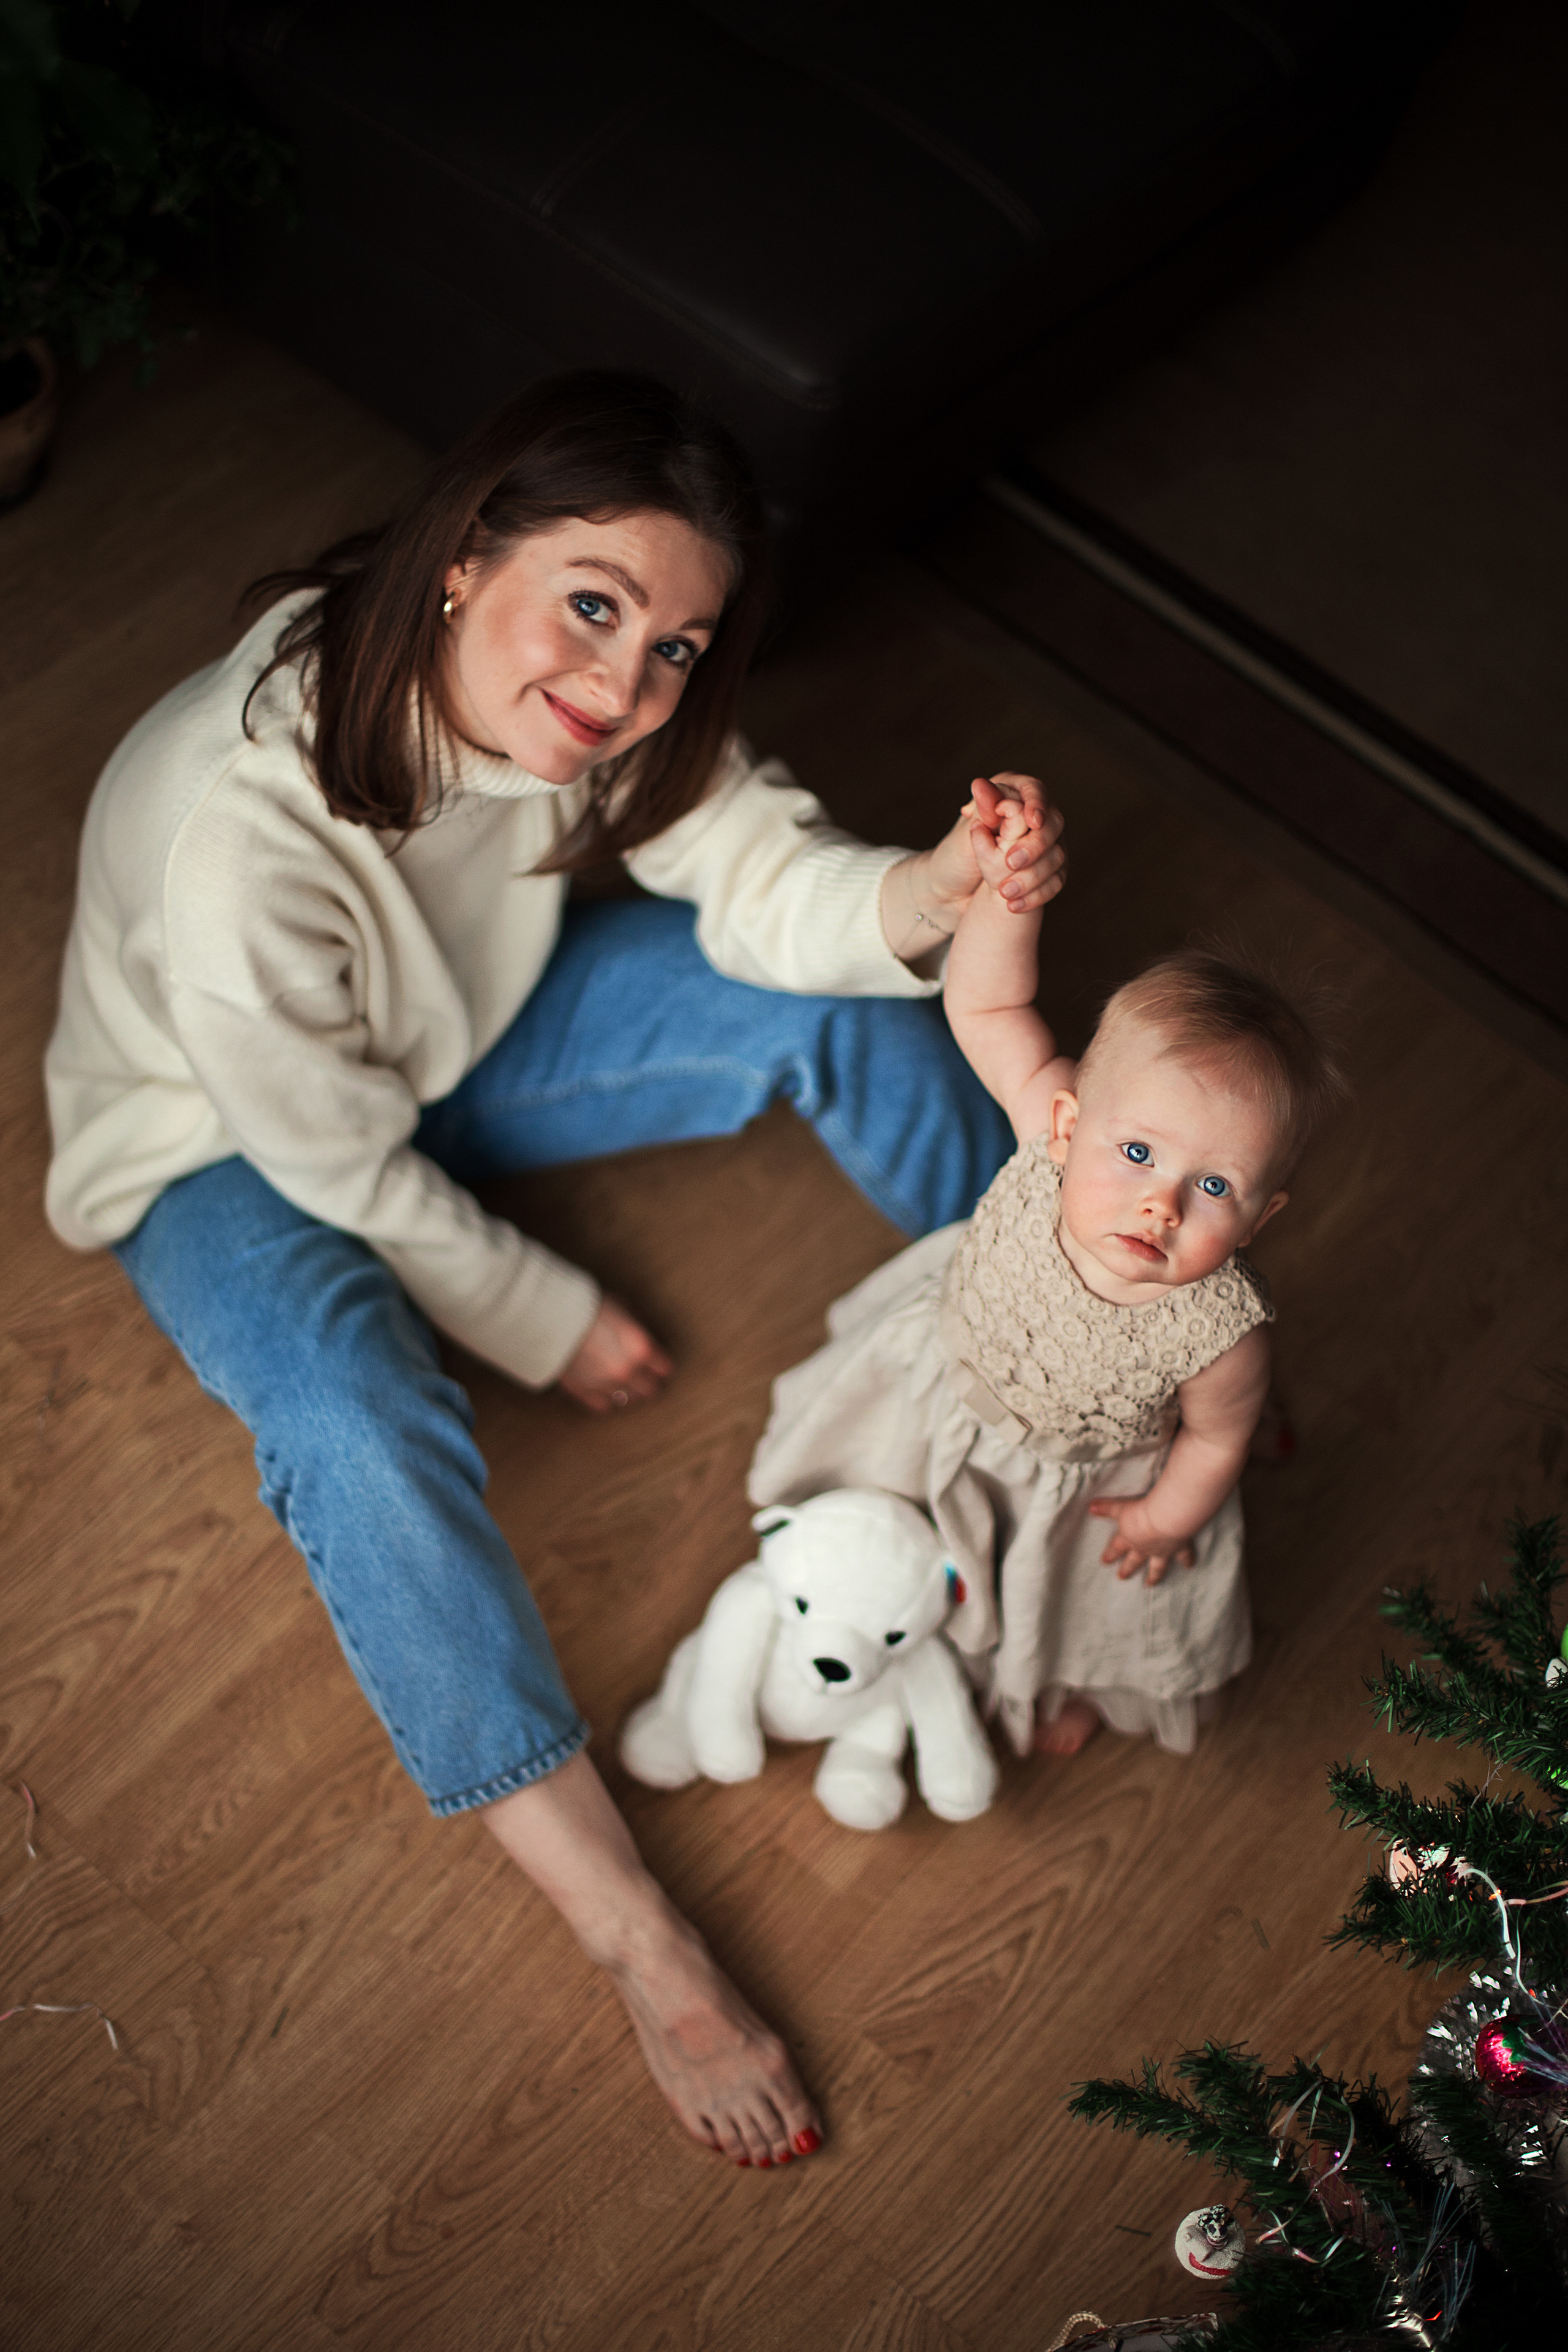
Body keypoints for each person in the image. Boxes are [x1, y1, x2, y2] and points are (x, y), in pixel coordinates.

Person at [42, 372, 1065, 2170]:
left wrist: (930, 895)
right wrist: (534, 1304)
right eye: (593, 601)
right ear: (464, 554)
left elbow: (752, 866)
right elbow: (330, 1159)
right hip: (217, 1147)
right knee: (353, 1419)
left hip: (448, 1048)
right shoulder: (230, 827)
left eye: (677, 646)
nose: (625, 683)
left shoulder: (592, 717)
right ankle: (632, 1932)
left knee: (836, 999)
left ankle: (1077, 1354)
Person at [749, 796, 1345, 1763]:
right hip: (945, 1380)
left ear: (1260, 1219)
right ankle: (866, 1569)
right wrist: (1009, 900)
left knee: (1063, 1595)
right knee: (885, 1489)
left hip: (1072, 1488)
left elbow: (1217, 1435)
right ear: (1070, 1125)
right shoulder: (1045, 1132)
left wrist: (1166, 1517)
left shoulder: (1221, 1330)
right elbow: (985, 1005)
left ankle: (1053, 1679)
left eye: (1213, 1185)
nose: (1162, 1206)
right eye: (1139, 1150)